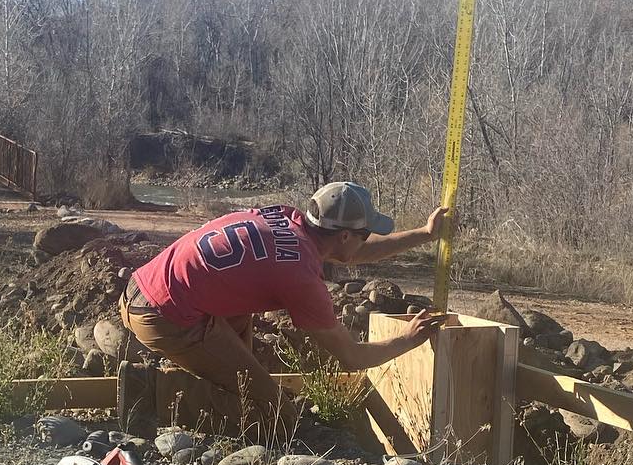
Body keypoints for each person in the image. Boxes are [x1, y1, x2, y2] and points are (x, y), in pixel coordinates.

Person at [119, 181, 447, 436]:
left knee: (244, 367)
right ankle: (149, 392)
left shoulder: (286, 219)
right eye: (365, 233)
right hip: (163, 314)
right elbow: (351, 356)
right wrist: (408, 339)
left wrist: (424, 234)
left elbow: (351, 252)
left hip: (143, 289)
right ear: (346, 235)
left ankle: (207, 387)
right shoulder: (301, 276)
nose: (366, 239)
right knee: (273, 417)